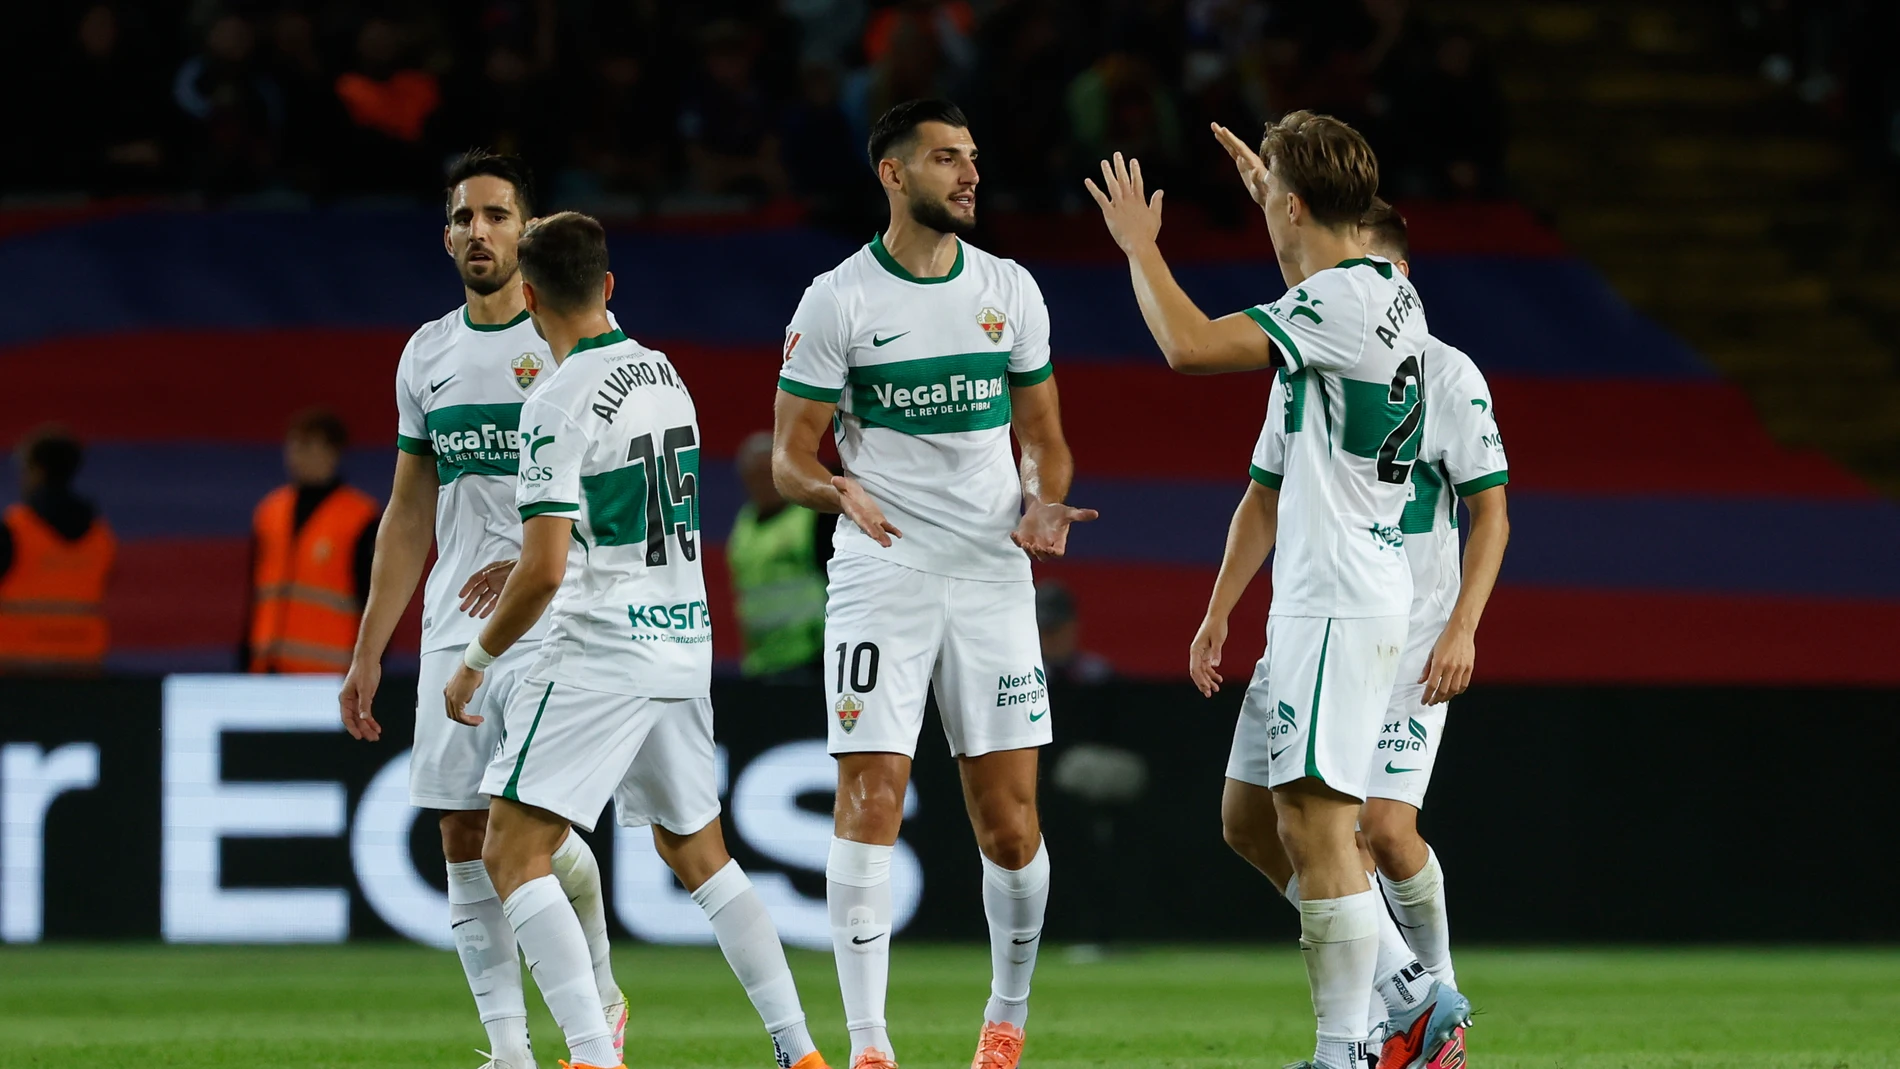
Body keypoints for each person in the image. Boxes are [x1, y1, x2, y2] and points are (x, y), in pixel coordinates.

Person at [1085, 113, 1441, 1069]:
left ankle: (1346, 1051)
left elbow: (1190, 345)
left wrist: (1140, 248)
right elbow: (1269, 477)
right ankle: (1414, 986)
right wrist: (1281, 204)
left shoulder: (1339, 305)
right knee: (1251, 818)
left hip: (1339, 596)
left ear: (1291, 204)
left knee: (1317, 825)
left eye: (1275, 197)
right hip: (1320, 596)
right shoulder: (1376, 293)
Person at [444, 212, 830, 1069]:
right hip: (682, 642)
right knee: (699, 851)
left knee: (509, 849)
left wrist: (476, 662)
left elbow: (546, 573)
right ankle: (800, 1051)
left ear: (530, 294)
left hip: (601, 650)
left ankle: (591, 1053)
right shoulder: (664, 373)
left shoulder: (554, 401)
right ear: (609, 286)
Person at [772, 98, 1097, 1069]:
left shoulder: (1007, 290)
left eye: (973, 159)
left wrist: (1042, 503)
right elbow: (789, 455)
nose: (968, 176)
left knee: (1008, 826)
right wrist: (835, 490)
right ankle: (869, 1046)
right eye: (946, 159)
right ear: (892, 173)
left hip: (992, 576)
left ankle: (1005, 1019)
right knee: (870, 794)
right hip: (884, 573)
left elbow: (1045, 441)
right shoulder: (839, 299)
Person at [1192, 200, 1507, 1069]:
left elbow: (1492, 513)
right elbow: (1262, 494)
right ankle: (1413, 994)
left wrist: (1463, 629)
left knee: (1375, 827)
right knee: (1254, 820)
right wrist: (1221, 607)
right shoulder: (1303, 357)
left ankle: (1420, 1008)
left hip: (1402, 634)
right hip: (1316, 613)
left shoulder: (1446, 373)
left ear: (1391, 278)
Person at [337, 152, 625, 1069]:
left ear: (527, 231)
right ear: (447, 233)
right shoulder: (427, 353)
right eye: (463, 217)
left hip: (563, 611)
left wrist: (542, 557)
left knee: (522, 829)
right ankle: (509, 1050)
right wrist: (367, 647)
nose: (478, 231)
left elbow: (625, 486)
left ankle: (596, 998)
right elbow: (409, 506)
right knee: (463, 829)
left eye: (497, 215)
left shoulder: (575, 339)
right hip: (456, 625)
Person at [244, 408, 378, 673]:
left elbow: (375, 599)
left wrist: (370, 664)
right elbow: (256, 594)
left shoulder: (360, 517)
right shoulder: (270, 511)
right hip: (266, 667)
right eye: (292, 445)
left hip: (328, 671)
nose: (295, 455)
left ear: (332, 452)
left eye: (306, 445)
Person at [0, 429, 116, 673]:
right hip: (81, 663)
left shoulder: (15, 530)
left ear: (37, 471)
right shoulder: (100, 535)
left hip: (15, 664)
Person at [728, 430, 831, 682]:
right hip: (761, 663)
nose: (763, 483)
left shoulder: (815, 517)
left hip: (812, 659)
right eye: (755, 476)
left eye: (768, 473)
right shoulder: (743, 526)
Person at [1033, 581, 1112, 685]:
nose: (1051, 638)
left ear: (1073, 626)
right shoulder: (1024, 677)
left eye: (1056, 628)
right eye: (1044, 630)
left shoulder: (1097, 675)